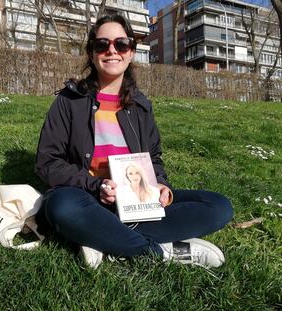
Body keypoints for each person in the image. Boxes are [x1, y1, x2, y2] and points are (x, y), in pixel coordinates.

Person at [35, 14, 233, 269]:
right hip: (87, 198)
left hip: (137, 203)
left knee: (219, 206)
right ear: (92, 52)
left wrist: (161, 186)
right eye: (101, 44)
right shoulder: (69, 101)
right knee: (61, 207)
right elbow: (47, 162)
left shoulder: (140, 106)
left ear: (131, 52)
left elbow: (154, 159)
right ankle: (163, 252)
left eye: (121, 44)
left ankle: (102, 237)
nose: (111, 51)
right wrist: (95, 185)